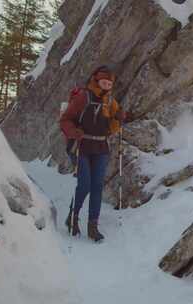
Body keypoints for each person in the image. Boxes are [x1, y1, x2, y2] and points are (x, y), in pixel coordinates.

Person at [59, 65, 128, 242]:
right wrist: (74, 132)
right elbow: (65, 119)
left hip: (100, 148)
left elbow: (111, 128)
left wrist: (119, 118)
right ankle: (72, 218)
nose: (106, 85)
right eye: (103, 81)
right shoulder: (83, 97)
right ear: (96, 80)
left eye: (109, 83)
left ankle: (93, 227)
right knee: (85, 185)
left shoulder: (110, 101)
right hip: (82, 146)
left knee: (97, 187)